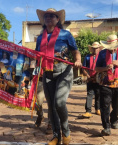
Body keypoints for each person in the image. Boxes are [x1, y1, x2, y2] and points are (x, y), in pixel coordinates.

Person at [36, 8, 82, 145]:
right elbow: (37, 56)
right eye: (46, 16)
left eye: (52, 16)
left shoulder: (65, 34)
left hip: (64, 71)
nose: (49, 18)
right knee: (51, 106)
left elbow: (75, 51)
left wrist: (78, 60)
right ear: (44, 20)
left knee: (59, 102)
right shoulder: (40, 38)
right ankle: (56, 136)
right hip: (47, 72)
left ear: (57, 20)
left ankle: (66, 131)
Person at [95, 34, 118, 136]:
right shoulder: (102, 54)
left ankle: (114, 119)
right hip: (105, 85)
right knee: (104, 106)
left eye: (114, 47)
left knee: (116, 106)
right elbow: (96, 68)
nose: (112, 50)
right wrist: (105, 68)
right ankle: (106, 127)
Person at [80, 42, 101, 118]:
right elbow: (83, 67)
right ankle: (88, 111)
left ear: (99, 49)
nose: (95, 50)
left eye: (97, 48)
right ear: (92, 49)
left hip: (98, 79)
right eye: (94, 48)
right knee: (89, 94)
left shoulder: (101, 57)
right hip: (90, 78)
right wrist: (88, 76)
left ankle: (97, 108)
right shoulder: (87, 57)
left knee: (98, 94)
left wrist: (98, 76)